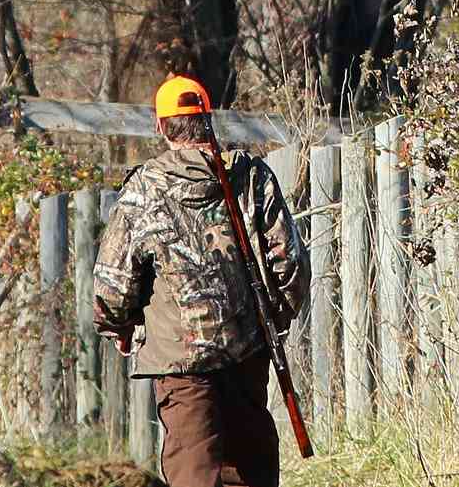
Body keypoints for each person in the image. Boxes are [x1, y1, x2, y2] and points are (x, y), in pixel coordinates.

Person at [93, 75, 310, 487]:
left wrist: (119, 329)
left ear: (161, 127)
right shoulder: (252, 177)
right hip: (248, 353)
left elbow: (112, 286)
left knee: (194, 475)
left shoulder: (143, 190)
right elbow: (291, 265)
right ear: (208, 118)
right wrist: (271, 323)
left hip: (181, 366)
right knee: (250, 473)